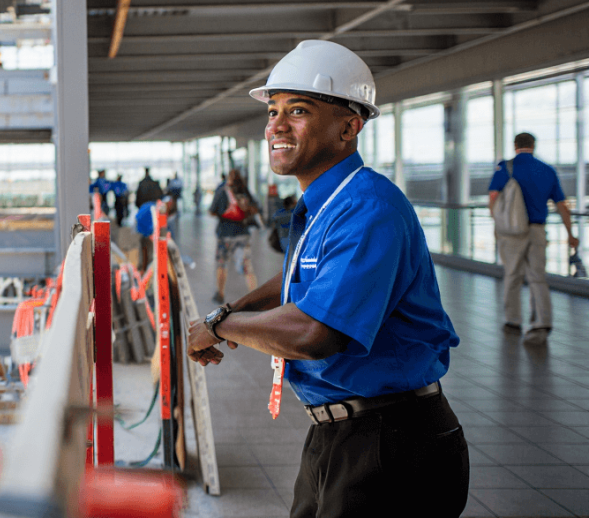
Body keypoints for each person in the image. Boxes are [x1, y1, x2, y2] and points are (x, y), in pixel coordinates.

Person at [186, 40, 467, 517]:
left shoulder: (369, 208)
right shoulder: (325, 203)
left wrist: (217, 327)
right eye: (273, 111)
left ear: (349, 127)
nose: (276, 125)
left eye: (298, 110)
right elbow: (297, 276)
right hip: (337, 432)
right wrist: (231, 311)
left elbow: (317, 333)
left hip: (392, 442)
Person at [488, 132, 578, 345]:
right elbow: (562, 205)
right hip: (537, 230)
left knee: (512, 275)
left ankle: (513, 321)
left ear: (515, 145)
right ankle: (542, 322)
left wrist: (497, 223)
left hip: (512, 232)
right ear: (534, 145)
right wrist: (570, 234)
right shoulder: (547, 170)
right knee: (537, 277)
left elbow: (493, 197)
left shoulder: (506, 167)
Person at [208, 169, 258, 302]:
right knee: (247, 267)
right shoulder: (243, 190)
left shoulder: (221, 191)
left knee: (221, 264)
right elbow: (255, 208)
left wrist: (224, 214)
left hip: (224, 234)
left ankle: (220, 294)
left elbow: (211, 211)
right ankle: (256, 297)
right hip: (242, 234)